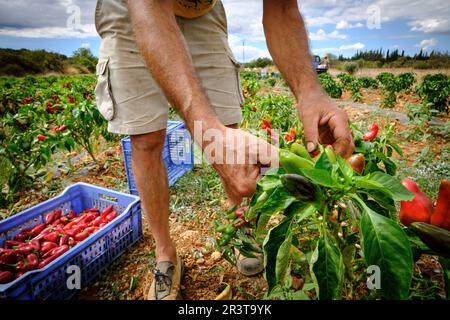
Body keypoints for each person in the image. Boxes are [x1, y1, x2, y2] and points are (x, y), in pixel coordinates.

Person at [94, 0, 354, 300]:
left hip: (202, 11)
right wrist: (206, 131)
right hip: (137, 9)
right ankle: (165, 254)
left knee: (229, 126)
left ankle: (241, 229)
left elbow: (281, 7)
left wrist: (310, 91)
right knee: (146, 137)